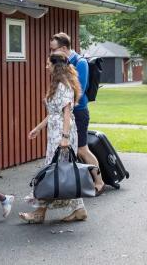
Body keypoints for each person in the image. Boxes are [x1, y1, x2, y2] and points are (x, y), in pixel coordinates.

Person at [19, 53, 88, 223]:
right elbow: (53, 114)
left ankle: (39, 213)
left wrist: (64, 138)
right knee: (63, 171)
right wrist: (38, 128)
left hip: (62, 134)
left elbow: (66, 113)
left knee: (52, 171)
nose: (45, 66)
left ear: (55, 66)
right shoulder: (58, 84)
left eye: (47, 63)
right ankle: (79, 209)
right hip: (55, 133)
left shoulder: (63, 86)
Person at [50, 33, 106, 195]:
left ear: (64, 48)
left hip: (79, 112)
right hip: (67, 113)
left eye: (53, 49)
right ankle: (81, 182)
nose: (51, 53)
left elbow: (78, 91)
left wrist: (65, 104)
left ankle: (99, 182)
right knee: (74, 150)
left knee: (82, 149)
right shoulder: (62, 62)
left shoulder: (80, 63)